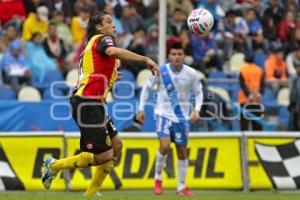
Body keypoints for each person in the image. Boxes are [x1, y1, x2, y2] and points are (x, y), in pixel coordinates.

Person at [42, 12, 159, 196]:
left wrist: (111, 77)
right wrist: (145, 59)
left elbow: (96, 69)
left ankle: (91, 193)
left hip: (94, 102)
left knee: (117, 145)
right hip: (86, 102)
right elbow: (111, 52)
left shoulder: (94, 45)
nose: (114, 26)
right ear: (98, 27)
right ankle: (55, 166)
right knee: (104, 156)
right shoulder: (102, 39)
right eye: (109, 22)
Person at [137, 43, 203, 196]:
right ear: (169, 56)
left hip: (182, 117)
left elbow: (199, 93)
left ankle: (181, 187)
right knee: (165, 145)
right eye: (174, 54)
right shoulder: (161, 71)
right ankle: (158, 179)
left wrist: (197, 110)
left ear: (184, 56)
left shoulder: (191, 73)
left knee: (181, 151)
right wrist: (141, 108)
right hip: (163, 114)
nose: (177, 57)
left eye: (180, 54)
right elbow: (146, 88)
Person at [239, 52, 264, 131]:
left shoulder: (242, 70)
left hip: (245, 100)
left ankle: (244, 143)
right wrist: (258, 95)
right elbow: (263, 84)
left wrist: (249, 95)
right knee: (257, 126)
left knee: (244, 126)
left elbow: (242, 85)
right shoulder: (259, 70)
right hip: (257, 100)